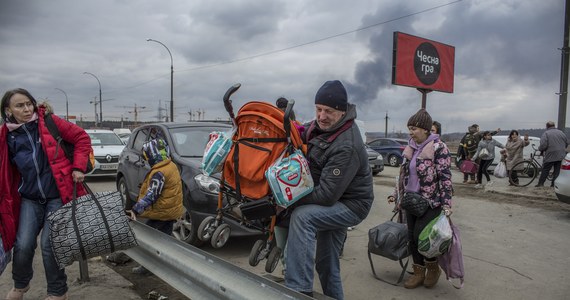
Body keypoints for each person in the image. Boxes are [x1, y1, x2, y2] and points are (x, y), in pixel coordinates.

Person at [284, 80, 373, 299]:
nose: (322, 116)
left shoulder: (346, 144)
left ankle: (298, 290)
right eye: (319, 109)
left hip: (351, 205)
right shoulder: (320, 127)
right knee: (327, 263)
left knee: (302, 217)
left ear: (342, 112)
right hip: (336, 199)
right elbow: (302, 138)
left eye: (329, 111)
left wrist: (289, 199)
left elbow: (326, 195)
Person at [0, 88, 92, 300]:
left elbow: (81, 137)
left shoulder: (49, 122)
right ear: (8, 110)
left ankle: (58, 292)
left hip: (57, 196)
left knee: (49, 245)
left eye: (28, 104)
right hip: (29, 199)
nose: (26, 109)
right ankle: (20, 286)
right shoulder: (6, 135)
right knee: (22, 244)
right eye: (19, 105)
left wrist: (78, 167)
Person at [387, 108, 453, 289]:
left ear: (425, 129)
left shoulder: (439, 148)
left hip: (430, 202)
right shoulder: (411, 147)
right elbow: (403, 175)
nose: (411, 132)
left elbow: (445, 177)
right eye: (409, 127)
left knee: (423, 238)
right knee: (411, 238)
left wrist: (447, 204)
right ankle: (418, 272)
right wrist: (396, 195)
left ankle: (432, 269)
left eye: (414, 128)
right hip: (410, 200)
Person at [127, 138, 183, 274]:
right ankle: (165, 265)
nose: (146, 159)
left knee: (150, 241)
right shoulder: (171, 165)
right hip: (170, 212)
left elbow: (152, 195)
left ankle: (147, 268)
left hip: (161, 213)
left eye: (147, 156)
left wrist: (136, 209)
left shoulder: (159, 172)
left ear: (153, 155)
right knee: (164, 241)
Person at [535, 121, 568, 187]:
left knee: (546, 169)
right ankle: (553, 185)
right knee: (557, 171)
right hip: (561, 155)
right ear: (554, 125)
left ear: (547, 126)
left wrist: (540, 149)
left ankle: (540, 183)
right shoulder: (561, 133)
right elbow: (566, 143)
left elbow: (543, 145)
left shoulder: (546, 133)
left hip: (550, 155)